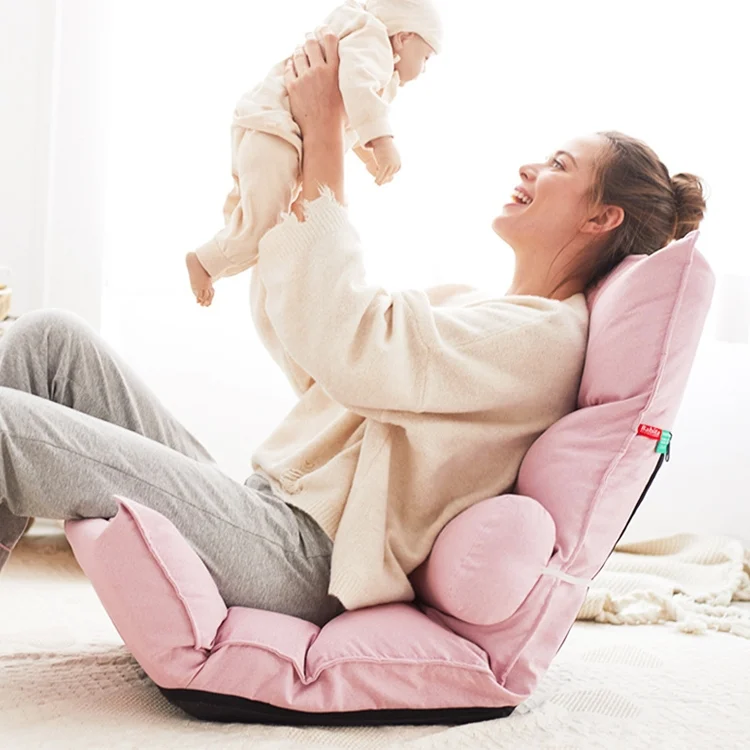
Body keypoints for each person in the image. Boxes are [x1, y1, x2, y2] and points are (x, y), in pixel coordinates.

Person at [0, 33, 706, 628]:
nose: (529, 166)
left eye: (558, 165)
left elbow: (354, 345)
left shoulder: (543, 340)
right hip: (267, 512)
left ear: (601, 218)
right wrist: (282, 180)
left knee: (9, 424)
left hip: (303, 557)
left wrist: (326, 135)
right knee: (49, 343)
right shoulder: (482, 309)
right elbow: (322, 363)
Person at [185, 0, 442, 307]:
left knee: (259, 223)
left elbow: (346, 116)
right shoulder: (374, 43)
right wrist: (383, 141)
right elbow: (357, 86)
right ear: (404, 37)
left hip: (269, 131)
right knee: (265, 227)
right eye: (426, 57)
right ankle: (205, 263)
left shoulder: (364, 46)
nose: (424, 69)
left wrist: (369, 155)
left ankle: (219, 255)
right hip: (275, 131)